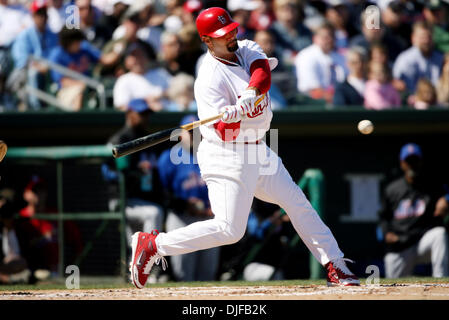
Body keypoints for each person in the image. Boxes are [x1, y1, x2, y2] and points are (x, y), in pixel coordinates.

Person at [128, 7, 360, 289]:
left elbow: (262, 72)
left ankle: (336, 265)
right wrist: (234, 117)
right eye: (222, 35)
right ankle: (154, 244)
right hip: (226, 155)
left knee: (297, 203)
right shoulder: (208, 81)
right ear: (207, 40)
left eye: (231, 30)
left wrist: (249, 95)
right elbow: (224, 134)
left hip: (259, 149)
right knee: (230, 230)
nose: (230, 36)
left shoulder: (246, 46)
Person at [157, 115, 219, 282]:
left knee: (208, 274)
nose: (192, 135)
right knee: (183, 274)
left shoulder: (213, 154)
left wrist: (217, 207)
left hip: (209, 219)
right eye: (189, 131)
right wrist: (184, 205)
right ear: (179, 134)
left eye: (196, 131)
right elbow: (161, 193)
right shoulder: (168, 158)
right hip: (181, 218)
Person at [378, 143, 449, 278]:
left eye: (415, 161)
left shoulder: (432, 185)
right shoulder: (392, 189)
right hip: (400, 245)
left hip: (423, 242)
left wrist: (446, 199)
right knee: (393, 290)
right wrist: (386, 233)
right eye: (408, 161)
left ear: (420, 162)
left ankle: (442, 281)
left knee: (440, 234)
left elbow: (445, 194)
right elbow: (383, 217)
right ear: (402, 164)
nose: (412, 165)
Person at [106, 98, 165, 247]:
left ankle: (140, 266)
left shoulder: (148, 139)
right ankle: (148, 260)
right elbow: (110, 173)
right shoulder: (120, 139)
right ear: (130, 114)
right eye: (141, 114)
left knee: (134, 245)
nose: (145, 118)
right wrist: (135, 171)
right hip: (123, 199)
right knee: (154, 213)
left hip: (142, 200)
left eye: (146, 114)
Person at [10, 0, 59, 110]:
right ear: (33, 16)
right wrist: (37, 66)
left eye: (44, 14)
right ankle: (35, 109)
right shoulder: (25, 35)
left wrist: (47, 66)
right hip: (25, 74)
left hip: (49, 71)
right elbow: (21, 60)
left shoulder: (53, 35)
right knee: (33, 73)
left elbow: (56, 56)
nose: (42, 17)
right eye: (39, 14)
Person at [294, 22, 348, 104]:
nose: (329, 40)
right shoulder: (306, 56)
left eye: (332, 37)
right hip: (311, 102)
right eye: (325, 37)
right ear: (315, 38)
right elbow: (313, 90)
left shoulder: (340, 57)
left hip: (338, 100)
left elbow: (348, 81)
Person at [392, 21, 444, 95]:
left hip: (439, 103)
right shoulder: (405, 59)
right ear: (413, 38)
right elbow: (399, 85)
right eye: (422, 37)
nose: (426, 41)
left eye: (429, 37)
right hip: (412, 102)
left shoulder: (440, 58)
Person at [112, 43, 164, 111]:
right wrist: (147, 106)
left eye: (141, 55)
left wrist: (162, 95)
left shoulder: (161, 74)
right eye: (134, 56)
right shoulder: (123, 80)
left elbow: (175, 92)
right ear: (126, 62)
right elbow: (121, 106)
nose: (138, 60)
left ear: (147, 58)